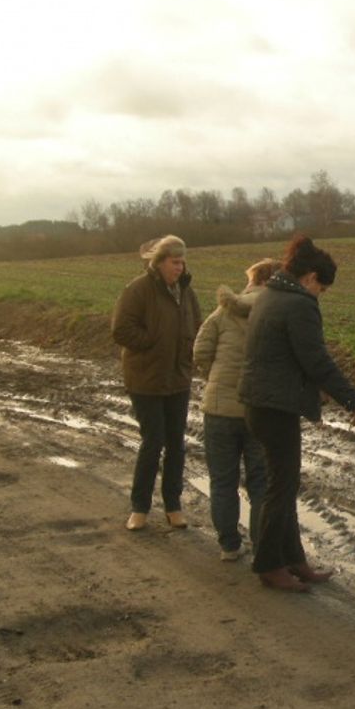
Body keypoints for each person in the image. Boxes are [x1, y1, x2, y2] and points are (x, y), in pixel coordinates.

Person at [238, 234, 355, 592]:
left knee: (285, 483)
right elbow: (316, 361)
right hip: (276, 407)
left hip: (259, 403)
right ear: (311, 278)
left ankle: (293, 559)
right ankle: (269, 564)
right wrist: (353, 399)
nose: (320, 296)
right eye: (322, 289)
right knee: (282, 487)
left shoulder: (270, 295)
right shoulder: (299, 305)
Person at [111, 235, 202, 531]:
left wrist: (189, 353)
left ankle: (173, 506)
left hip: (178, 377)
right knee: (154, 442)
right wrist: (152, 342)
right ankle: (139, 508)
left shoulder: (186, 292)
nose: (180, 267)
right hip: (146, 379)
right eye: (175, 262)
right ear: (160, 262)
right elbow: (122, 330)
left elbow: (198, 328)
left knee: (177, 443)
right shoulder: (138, 290)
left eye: (182, 262)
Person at [193, 258, 280, 561]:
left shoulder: (221, 312)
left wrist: (214, 378)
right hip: (257, 410)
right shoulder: (273, 313)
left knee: (223, 480)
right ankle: (261, 546)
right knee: (260, 482)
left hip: (218, 410)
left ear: (252, 279)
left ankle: (229, 545)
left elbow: (200, 351)